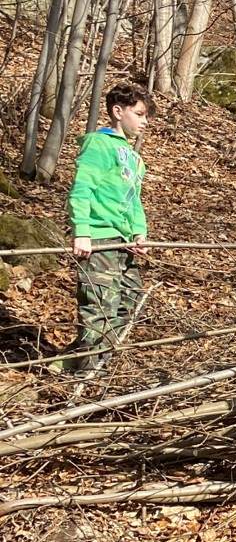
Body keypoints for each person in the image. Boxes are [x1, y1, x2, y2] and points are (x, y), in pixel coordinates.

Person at [63, 83, 152, 377]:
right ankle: (86, 375)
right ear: (117, 111)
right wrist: (83, 231)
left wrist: (139, 233)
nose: (144, 121)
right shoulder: (98, 145)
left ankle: (94, 363)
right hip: (100, 239)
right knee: (100, 306)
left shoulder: (134, 158)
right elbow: (82, 189)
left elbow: (134, 200)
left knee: (129, 300)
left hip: (124, 243)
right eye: (138, 114)